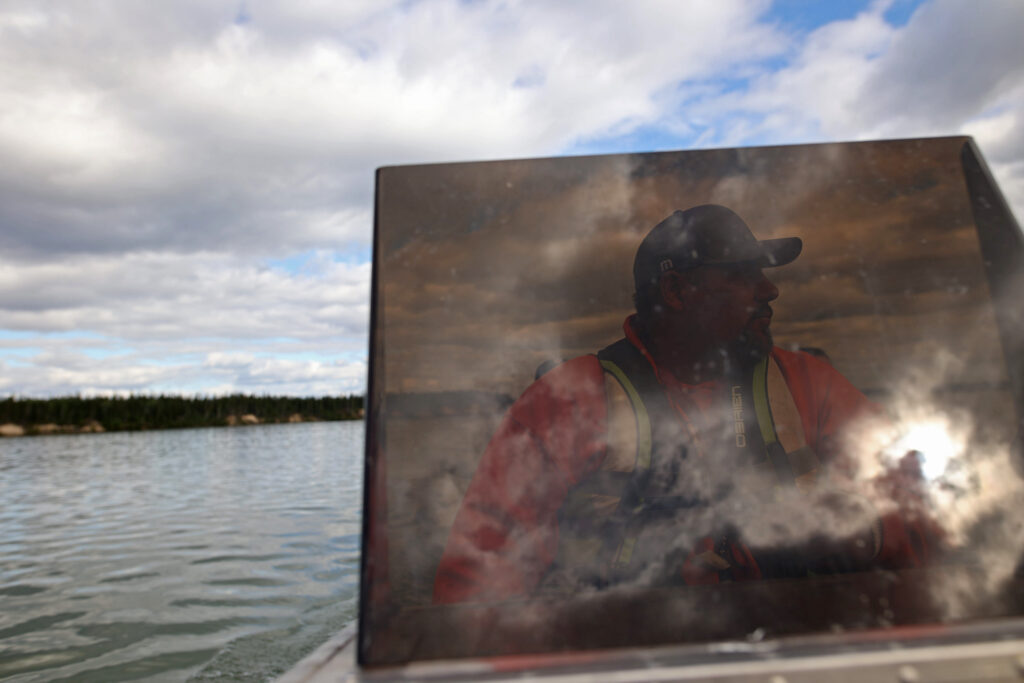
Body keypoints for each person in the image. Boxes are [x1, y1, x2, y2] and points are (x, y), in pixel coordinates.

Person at [434, 205, 938, 604]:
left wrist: (862, 532)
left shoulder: (808, 382)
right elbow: (480, 577)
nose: (770, 289)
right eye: (742, 275)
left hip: (794, 645)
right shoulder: (568, 401)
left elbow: (919, 510)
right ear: (677, 290)